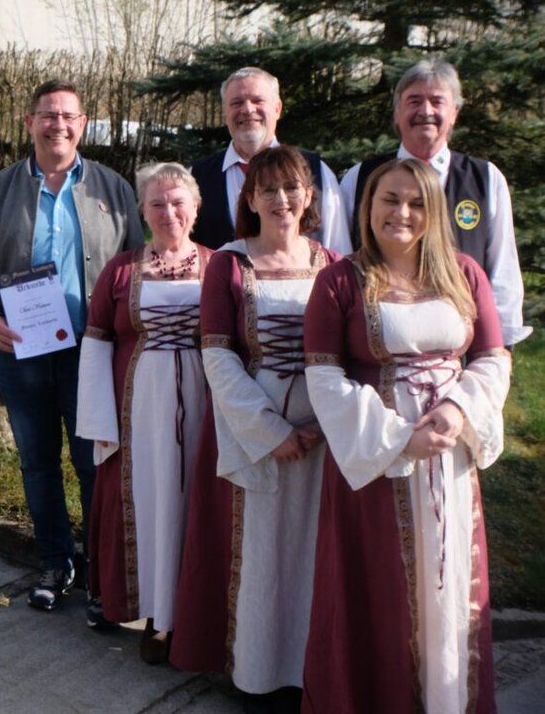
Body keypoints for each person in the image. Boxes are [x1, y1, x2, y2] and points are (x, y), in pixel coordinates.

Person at [302, 158, 510, 713]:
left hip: (449, 460)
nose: (402, 212)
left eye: (417, 203)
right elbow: (323, 376)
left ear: (434, 211)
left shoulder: (465, 273)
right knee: (380, 591)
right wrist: (399, 438)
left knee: (449, 585)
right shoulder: (339, 281)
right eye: (389, 199)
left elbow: (492, 357)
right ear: (368, 207)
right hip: (378, 461)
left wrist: (459, 409)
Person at [0, 79, 143, 611]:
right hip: (22, 353)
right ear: (29, 122)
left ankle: (102, 571)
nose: (57, 124)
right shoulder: (1, 190)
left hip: (92, 354)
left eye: (67, 116)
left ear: (82, 124)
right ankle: (55, 562)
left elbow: (136, 266)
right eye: (47, 115)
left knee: (93, 464)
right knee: (37, 463)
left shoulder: (112, 188)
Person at [170, 146, 336, 708]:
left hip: (324, 432)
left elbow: (348, 354)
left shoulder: (333, 263)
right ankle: (258, 673)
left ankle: (308, 671)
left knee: (313, 551)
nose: (281, 199)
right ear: (251, 199)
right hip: (253, 425)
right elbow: (217, 355)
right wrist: (271, 431)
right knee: (261, 553)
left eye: (291, 188)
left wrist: (324, 424)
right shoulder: (229, 263)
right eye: (268, 189)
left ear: (308, 196)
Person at [76, 163, 213, 660]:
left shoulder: (219, 265)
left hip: (204, 403)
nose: (168, 212)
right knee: (150, 503)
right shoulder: (120, 270)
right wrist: (99, 423)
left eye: (178, 202)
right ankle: (156, 614)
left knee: (196, 502)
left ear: (196, 208)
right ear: (142, 211)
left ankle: (192, 614)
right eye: (157, 203)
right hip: (137, 411)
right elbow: (95, 343)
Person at [340, 59, 530, 347]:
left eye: (437, 101)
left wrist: (499, 349)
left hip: (463, 352)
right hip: (378, 348)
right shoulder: (360, 178)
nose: (425, 111)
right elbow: (341, 261)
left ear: (454, 113)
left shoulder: (485, 179)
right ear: (397, 112)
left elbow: (503, 269)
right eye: (414, 101)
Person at [189, 66, 350, 253]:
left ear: (277, 109)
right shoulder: (197, 177)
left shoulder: (316, 171)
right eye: (236, 103)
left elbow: (339, 251)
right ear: (225, 113)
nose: (247, 109)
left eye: (257, 100)